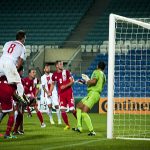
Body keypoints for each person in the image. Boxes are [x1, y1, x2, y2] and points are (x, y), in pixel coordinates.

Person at [73, 61, 106, 136]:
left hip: (93, 93)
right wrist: (86, 82)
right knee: (78, 106)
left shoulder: (96, 72)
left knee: (84, 111)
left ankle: (92, 131)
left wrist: (87, 80)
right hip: (93, 93)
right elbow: (95, 83)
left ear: (98, 66)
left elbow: (93, 81)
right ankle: (79, 127)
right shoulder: (104, 76)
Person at [50, 60, 76, 130]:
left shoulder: (66, 72)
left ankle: (79, 121)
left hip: (69, 93)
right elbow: (52, 84)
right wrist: (50, 92)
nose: (62, 65)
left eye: (62, 64)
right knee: (62, 109)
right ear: (57, 66)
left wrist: (65, 86)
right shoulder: (54, 75)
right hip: (61, 94)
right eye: (60, 64)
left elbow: (72, 82)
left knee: (71, 109)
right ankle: (67, 125)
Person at [0, 30, 26, 100]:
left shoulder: (7, 43)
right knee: (18, 82)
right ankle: (21, 97)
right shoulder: (22, 47)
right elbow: (20, 61)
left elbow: (3, 54)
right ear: (23, 38)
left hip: (1, 61)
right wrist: (15, 70)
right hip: (9, 63)